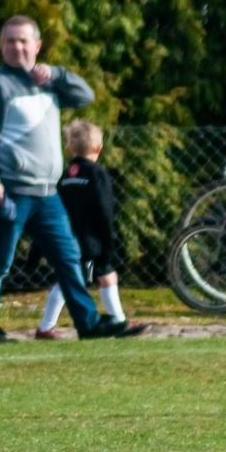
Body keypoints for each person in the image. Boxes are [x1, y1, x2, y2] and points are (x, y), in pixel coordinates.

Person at [0, 16, 142, 345]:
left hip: (49, 194)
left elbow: (85, 95)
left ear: (37, 46)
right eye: (10, 41)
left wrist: (58, 73)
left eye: (23, 41)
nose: (17, 47)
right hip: (13, 192)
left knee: (68, 258)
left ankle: (88, 324)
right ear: (1, 47)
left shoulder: (48, 84)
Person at [37, 120, 131, 339]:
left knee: (97, 275)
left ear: (69, 149)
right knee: (72, 280)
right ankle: (45, 327)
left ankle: (119, 321)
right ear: (99, 147)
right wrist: (109, 240)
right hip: (90, 240)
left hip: (65, 235)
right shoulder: (97, 174)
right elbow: (105, 209)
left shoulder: (64, 175)